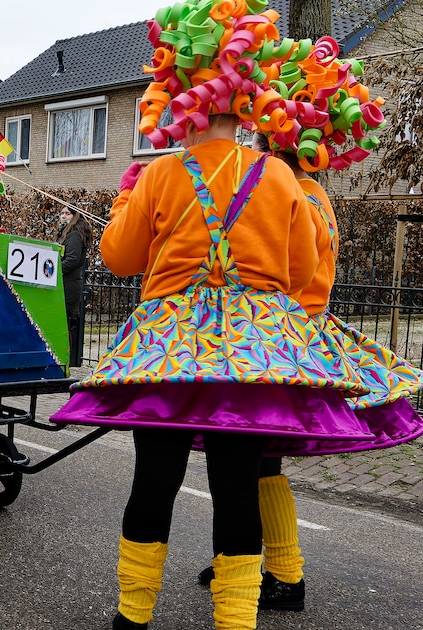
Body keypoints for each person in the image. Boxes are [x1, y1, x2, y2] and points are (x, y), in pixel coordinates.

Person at [50, 5, 394, 628]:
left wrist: (128, 197)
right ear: (250, 101)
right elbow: (298, 274)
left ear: (183, 99)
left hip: (168, 351)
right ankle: (236, 621)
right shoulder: (281, 179)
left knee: (154, 480)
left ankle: (132, 619)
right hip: (253, 352)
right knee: (237, 489)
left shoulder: (161, 175)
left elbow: (118, 258)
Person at [191, 133, 423, 610]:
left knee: (252, 462)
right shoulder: (316, 193)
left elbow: (285, 267)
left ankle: (274, 570)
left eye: (256, 143)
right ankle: (263, 564)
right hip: (299, 333)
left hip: (281, 339)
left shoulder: (289, 191)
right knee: (259, 462)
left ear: (272, 149)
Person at [58, 207, 92, 367]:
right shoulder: (70, 233)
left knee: (64, 324)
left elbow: (72, 260)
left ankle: (66, 359)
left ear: (75, 216)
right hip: (68, 284)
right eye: (62, 213)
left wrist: (54, 270)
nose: (63, 216)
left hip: (67, 285)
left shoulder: (73, 235)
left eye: (67, 213)